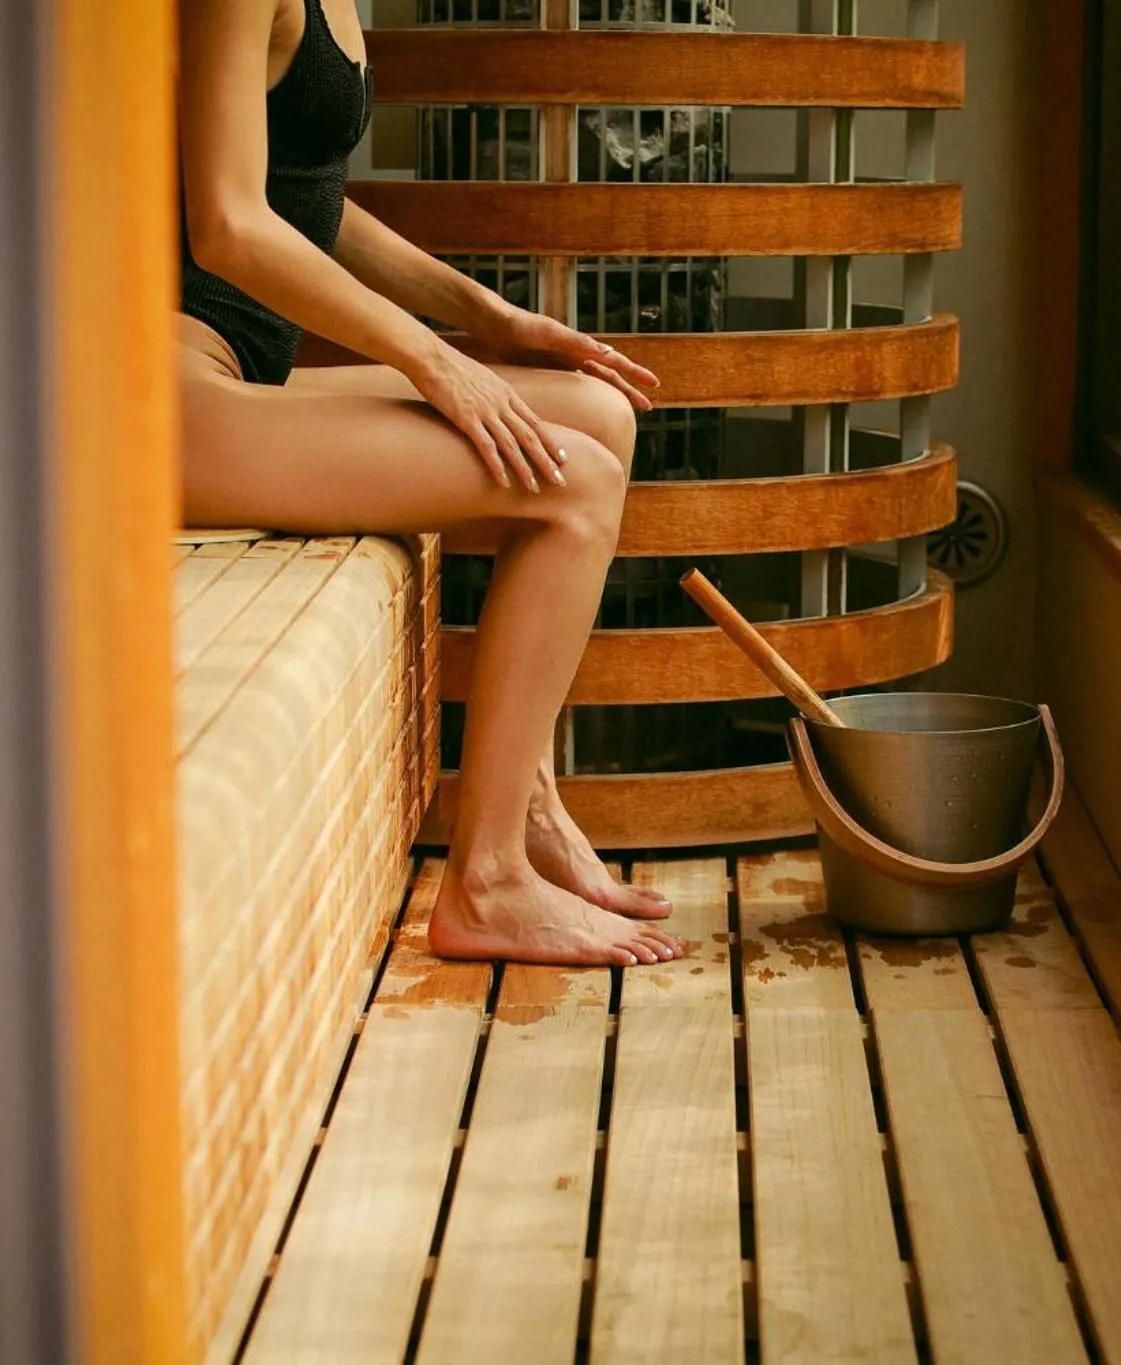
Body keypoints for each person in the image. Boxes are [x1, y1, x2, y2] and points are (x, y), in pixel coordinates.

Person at [178, 0, 683, 966]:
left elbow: (305, 191)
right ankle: (484, 881)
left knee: (595, 413)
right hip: (158, 400)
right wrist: (432, 359)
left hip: (235, 376)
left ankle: (528, 804)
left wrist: (487, 318)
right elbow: (231, 226)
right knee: (571, 483)